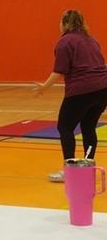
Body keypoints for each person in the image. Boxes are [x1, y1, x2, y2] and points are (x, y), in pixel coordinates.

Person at [34, 10, 107, 182]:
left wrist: (44, 87)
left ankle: (70, 171)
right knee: (88, 127)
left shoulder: (65, 41)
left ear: (65, 23)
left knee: (65, 127)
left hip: (81, 90)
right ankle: (88, 167)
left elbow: (59, 70)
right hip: (103, 89)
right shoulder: (92, 40)